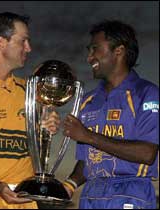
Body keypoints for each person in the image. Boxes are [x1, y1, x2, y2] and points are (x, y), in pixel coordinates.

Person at [0, 12, 60, 209]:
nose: (28, 48)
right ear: (1, 42)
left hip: (26, 202)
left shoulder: (31, 93)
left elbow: (35, 149)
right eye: (23, 41)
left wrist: (47, 128)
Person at [62, 20, 159, 209]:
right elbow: (88, 159)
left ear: (119, 51)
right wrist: (69, 185)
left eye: (94, 49)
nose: (89, 58)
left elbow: (147, 153)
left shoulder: (147, 93)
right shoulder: (88, 101)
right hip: (91, 195)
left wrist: (87, 135)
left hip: (131, 193)